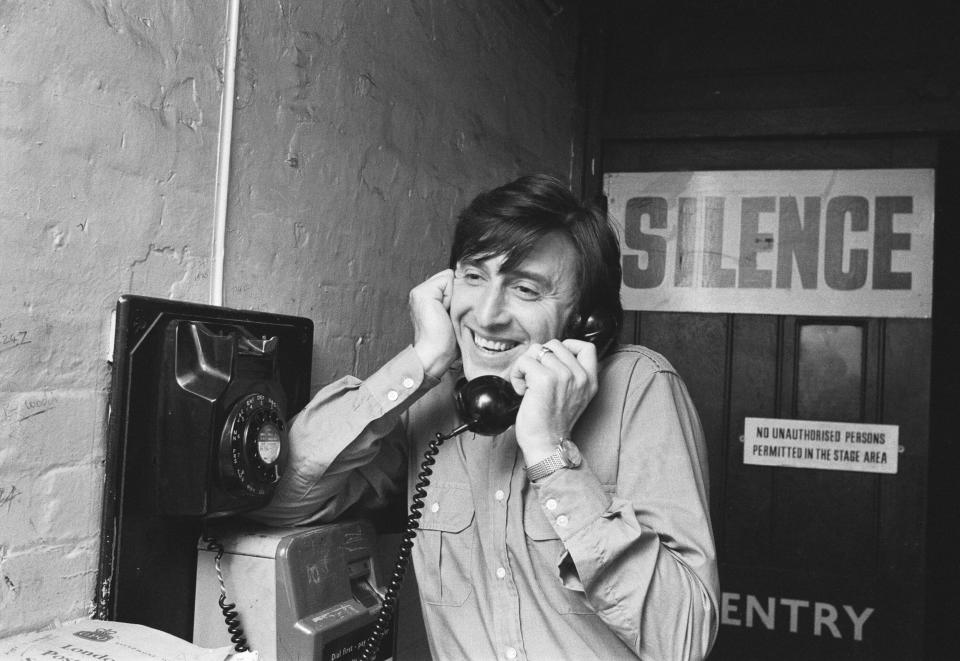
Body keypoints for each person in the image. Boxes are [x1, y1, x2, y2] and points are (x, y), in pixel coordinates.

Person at [251, 174, 719, 660]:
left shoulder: (638, 388)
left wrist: (550, 454)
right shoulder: (434, 405)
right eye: (474, 276)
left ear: (585, 322)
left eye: (526, 289)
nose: (488, 314)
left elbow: (682, 641)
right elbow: (278, 500)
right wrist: (424, 360)